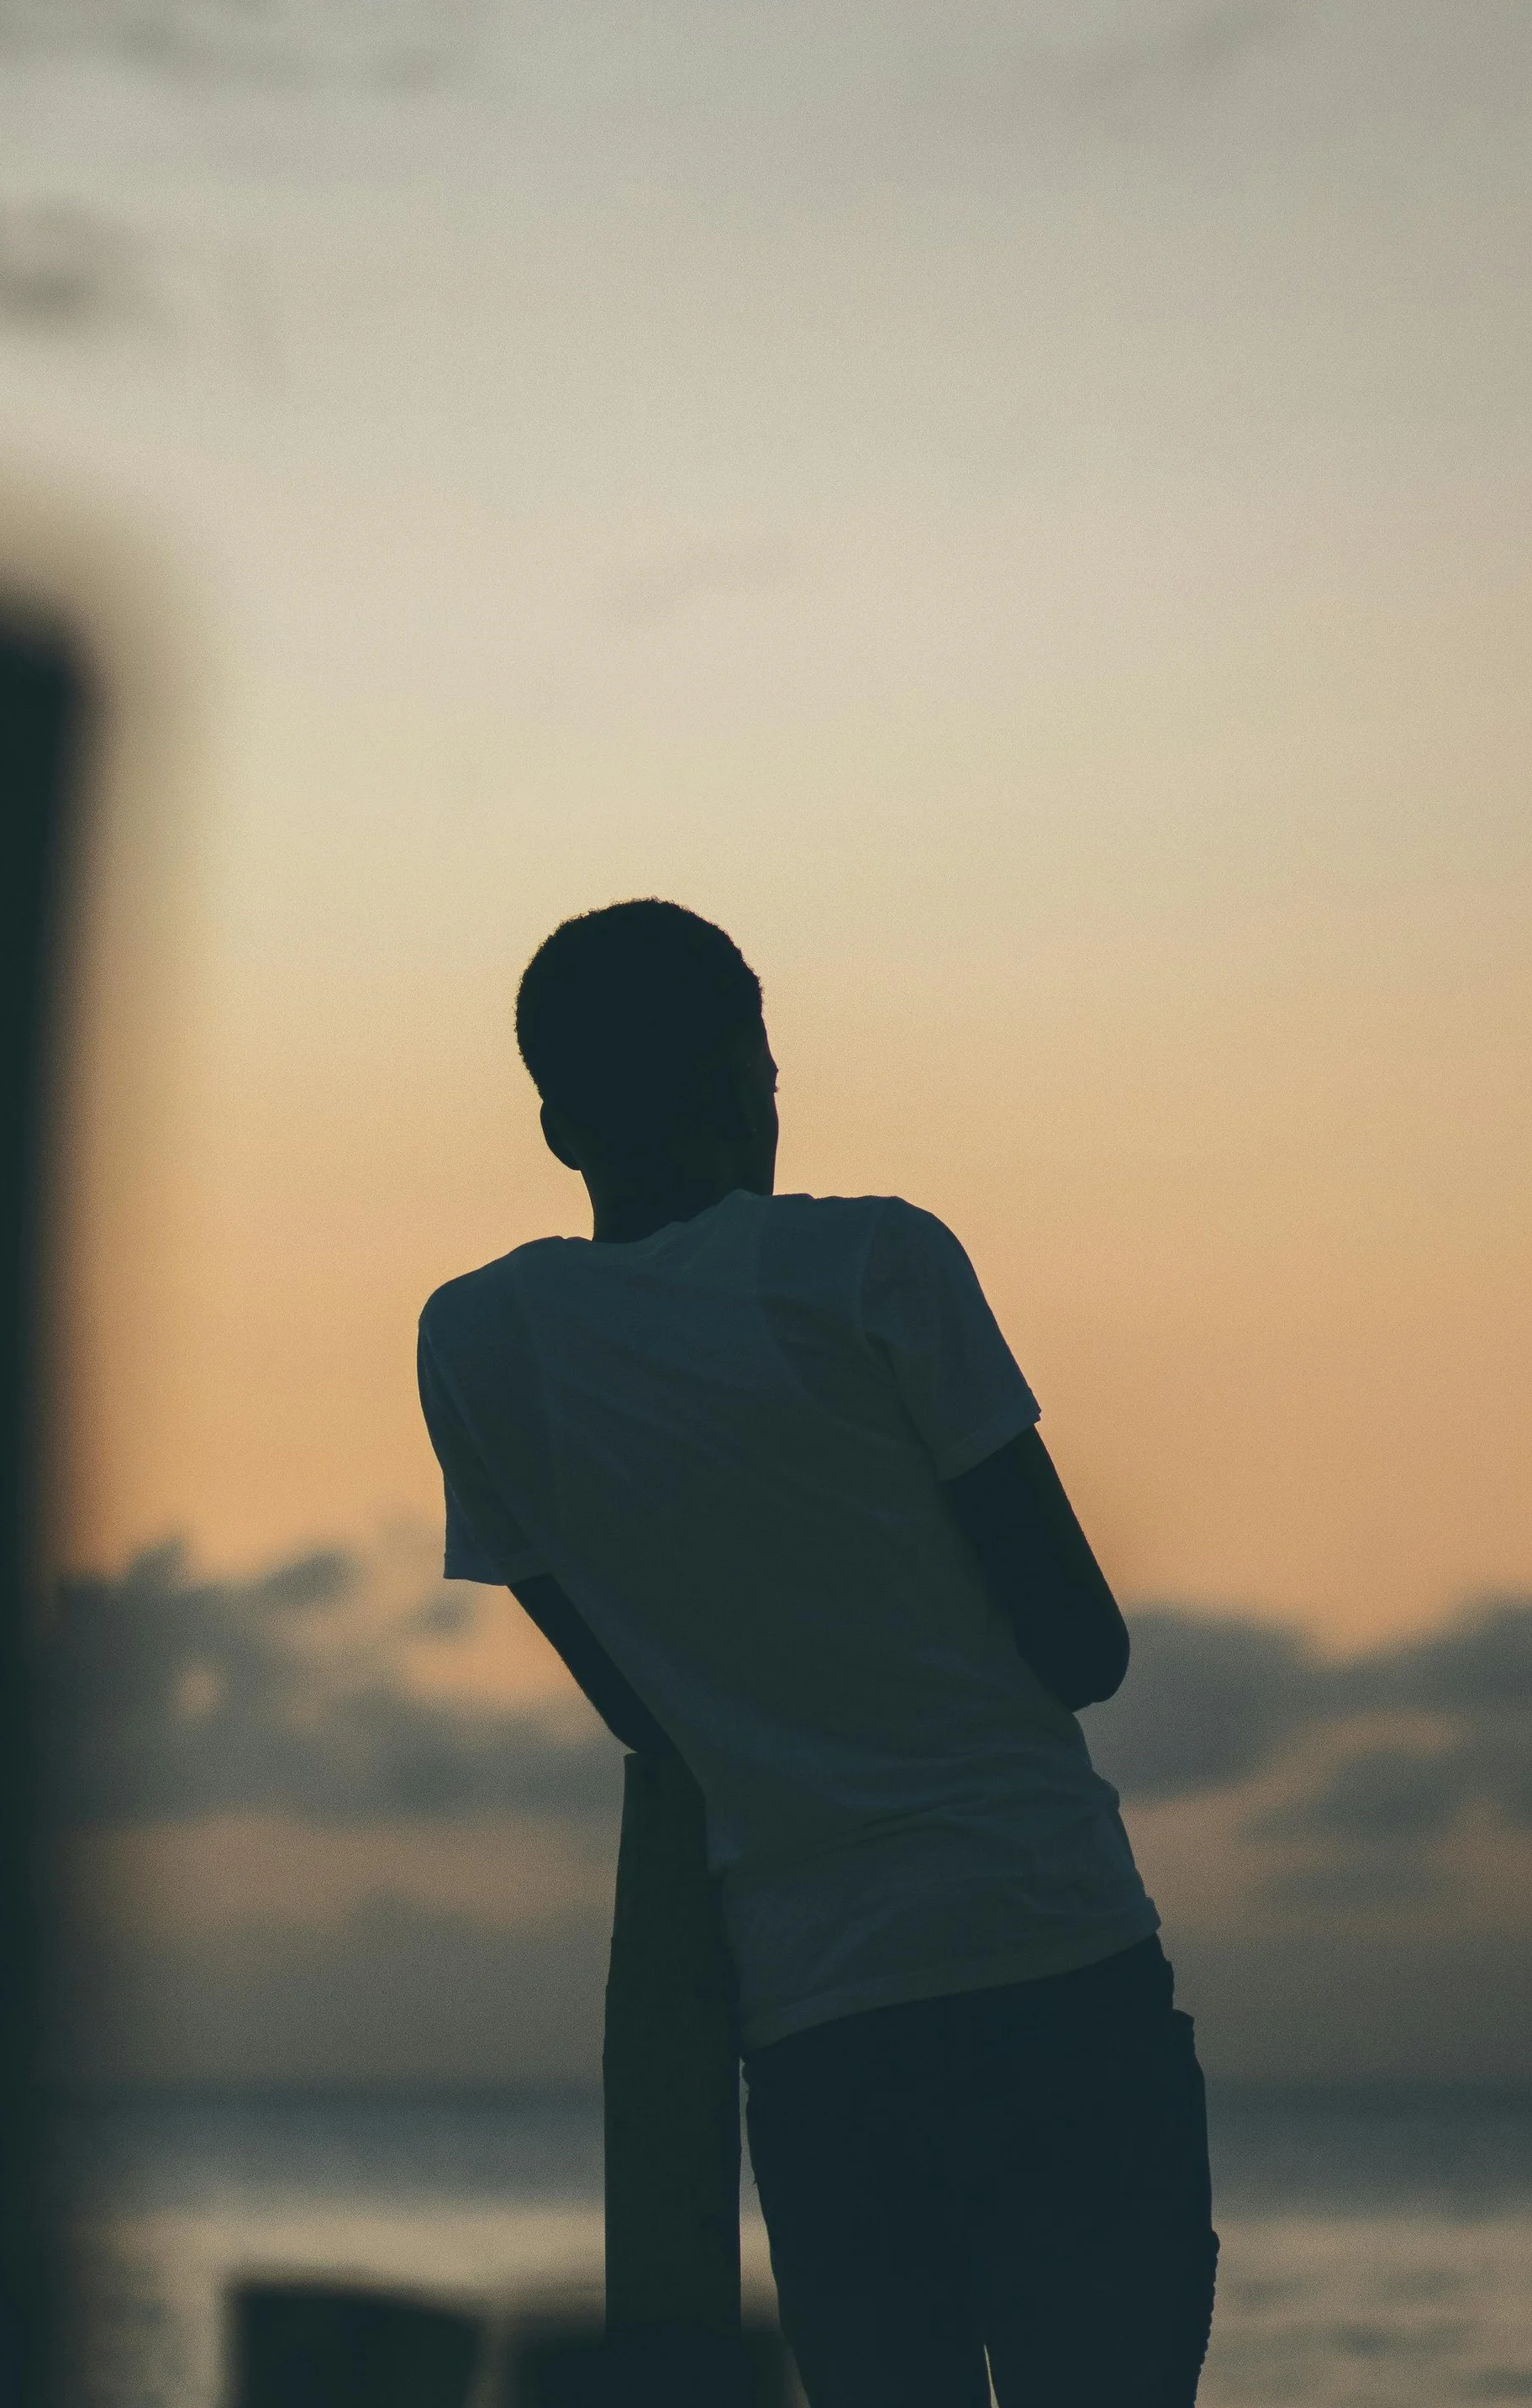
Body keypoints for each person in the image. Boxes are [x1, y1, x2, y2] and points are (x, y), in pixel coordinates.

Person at [417, 898, 1217, 2407]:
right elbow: (1083, 1647)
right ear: (745, 1083)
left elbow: (641, 1706)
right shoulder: (873, 1270)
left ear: (556, 1126)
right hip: (1051, 1962)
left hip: (817, 2027)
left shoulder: (482, 1344)